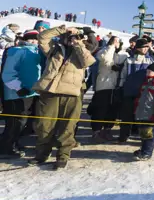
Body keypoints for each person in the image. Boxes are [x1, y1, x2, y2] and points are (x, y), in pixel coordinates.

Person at [29, 25, 96, 169]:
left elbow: (88, 62)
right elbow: (42, 37)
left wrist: (77, 42)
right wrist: (63, 29)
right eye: (67, 36)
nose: (69, 39)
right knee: (44, 125)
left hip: (71, 93)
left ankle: (62, 156)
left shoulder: (83, 50)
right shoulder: (54, 49)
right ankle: (41, 154)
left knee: (67, 126)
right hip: (50, 91)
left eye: (72, 36)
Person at [0, 30, 41, 158]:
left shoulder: (38, 52)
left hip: (30, 93)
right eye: (31, 39)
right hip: (16, 93)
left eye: (36, 39)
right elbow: (7, 73)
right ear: (25, 39)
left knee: (22, 122)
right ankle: (5, 148)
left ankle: (13, 143)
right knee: (15, 121)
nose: (34, 41)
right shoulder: (17, 51)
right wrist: (18, 88)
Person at [89, 36, 127, 142]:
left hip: (116, 87)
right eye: (115, 41)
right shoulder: (104, 51)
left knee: (112, 110)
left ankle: (107, 130)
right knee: (100, 110)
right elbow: (105, 59)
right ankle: (96, 132)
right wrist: (111, 47)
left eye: (118, 41)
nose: (116, 43)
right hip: (103, 85)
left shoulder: (123, 54)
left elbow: (123, 66)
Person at [118, 38, 154, 143]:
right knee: (127, 114)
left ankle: (141, 134)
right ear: (138, 48)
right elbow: (123, 75)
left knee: (142, 115)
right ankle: (124, 135)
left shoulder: (150, 60)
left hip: (144, 92)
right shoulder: (129, 60)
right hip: (130, 91)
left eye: (147, 47)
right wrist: (121, 87)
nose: (145, 49)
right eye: (144, 47)